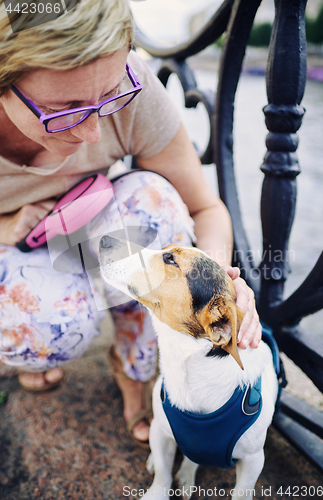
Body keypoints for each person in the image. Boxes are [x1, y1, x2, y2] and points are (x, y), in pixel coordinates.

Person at [0, 0, 261, 448]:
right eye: (65, 109)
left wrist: (221, 283)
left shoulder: (132, 85)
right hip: (16, 246)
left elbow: (205, 208)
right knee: (39, 334)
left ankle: (133, 364)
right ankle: (38, 347)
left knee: (158, 208)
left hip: (89, 228)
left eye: (108, 97)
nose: (93, 134)